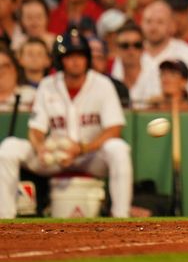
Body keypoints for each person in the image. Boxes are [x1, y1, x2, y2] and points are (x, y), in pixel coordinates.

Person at [0, 29, 132, 218]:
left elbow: (114, 128)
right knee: (8, 148)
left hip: (90, 156)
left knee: (118, 149)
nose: (76, 61)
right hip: (55, 156)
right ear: (60, 60)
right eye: (70, 56)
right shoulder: (48, 85)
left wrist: (82, 148)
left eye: (80, 55)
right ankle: (5, 219)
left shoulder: (103, 84)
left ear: (87, 58)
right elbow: (36, 129)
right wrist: (40, 147)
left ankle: (121, 216)